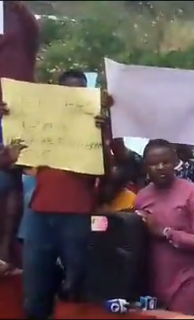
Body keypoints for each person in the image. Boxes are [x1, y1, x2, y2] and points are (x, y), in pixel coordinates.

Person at [15, 70, 108, 318]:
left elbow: (109, 172)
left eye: (79, 90)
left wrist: (101, 133)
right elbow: (11, 158)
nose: (73, 96)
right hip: (39, 215)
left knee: (76, 286)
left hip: (76, 216)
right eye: (67, 90)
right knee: (34, 289)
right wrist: (11, 115)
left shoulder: (96, 125)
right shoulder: (42, 121)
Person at [135, 139, 194, 316]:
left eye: (165, 162)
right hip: (153, 283)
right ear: (145, 166)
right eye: (154, 163)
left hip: (187, 281)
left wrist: (166, 232)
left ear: (175, 163)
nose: (160, 167)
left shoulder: (193, 192)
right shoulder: (142, 197)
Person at [0, 0, 39, 276]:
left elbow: (32, 43)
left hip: (16, 108)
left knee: (13, 175)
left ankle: (6, 251)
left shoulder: (17, 14)